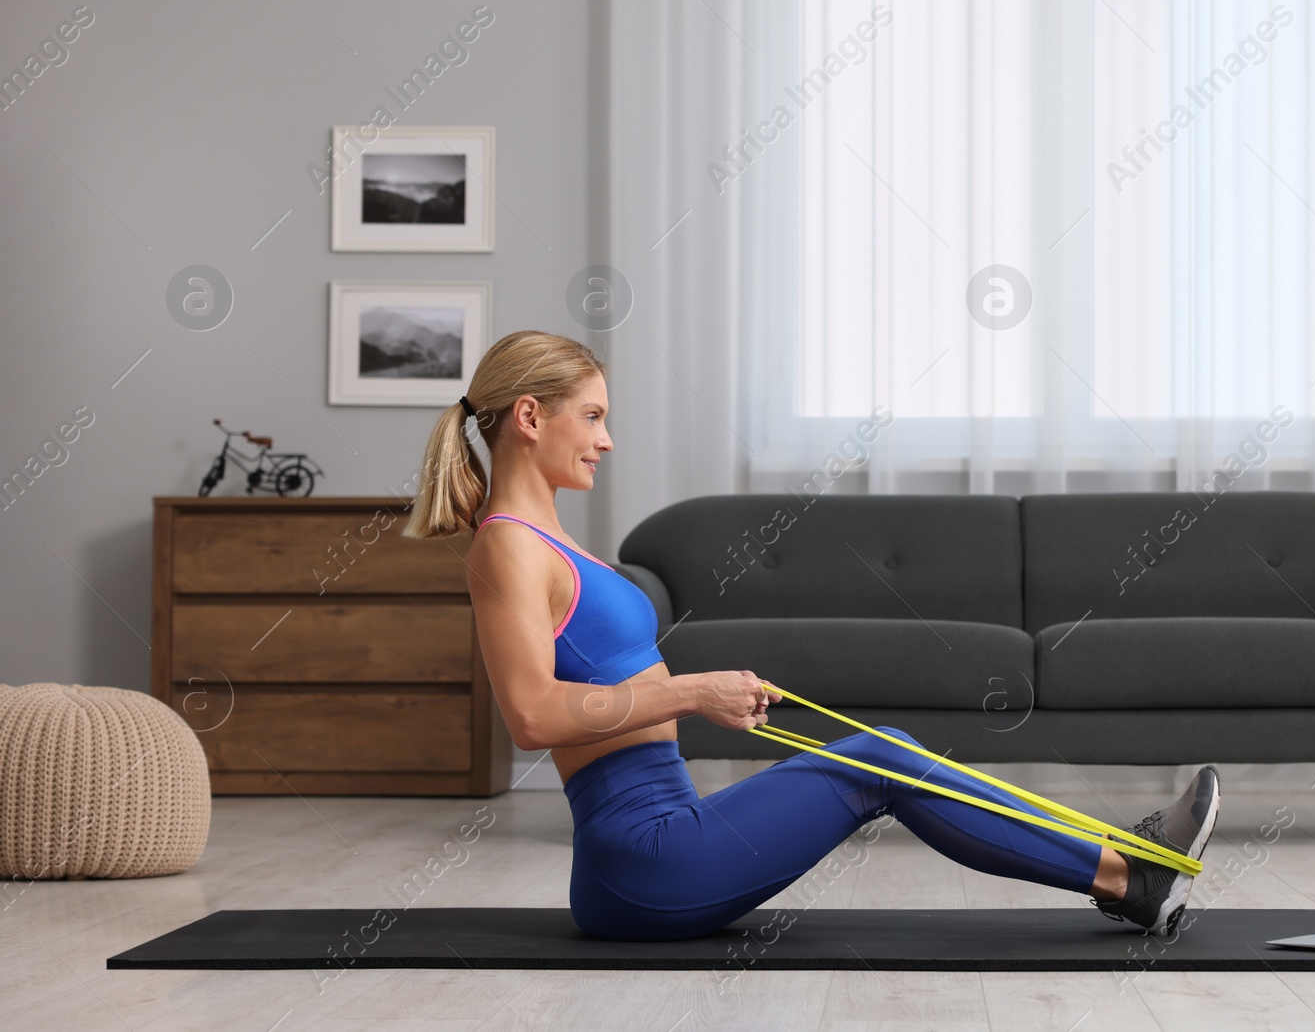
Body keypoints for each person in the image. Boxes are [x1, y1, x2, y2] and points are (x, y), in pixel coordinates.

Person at [402, 330, 1220, 942]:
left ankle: (1126, 860)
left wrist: (693, 691)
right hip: (641, 862)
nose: (606, 439)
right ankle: (1128, 876)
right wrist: (695, 690)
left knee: (884, 749)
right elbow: (533, 717)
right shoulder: (506, 543)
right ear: (530, 416)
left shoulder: (550, 538)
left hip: (667, 837)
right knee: (883, 758)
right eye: (593, 416)